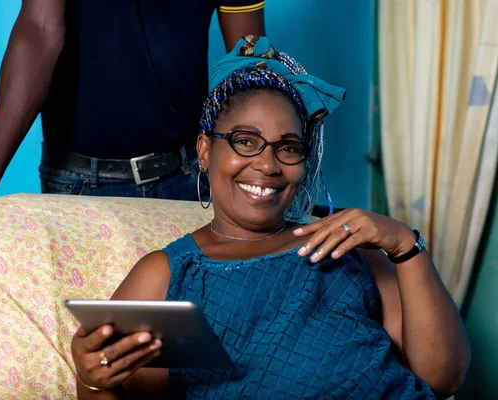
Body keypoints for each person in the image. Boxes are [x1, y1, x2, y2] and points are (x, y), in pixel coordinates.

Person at [70, 36, 470, 399]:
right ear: (205, 150)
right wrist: (90, 381)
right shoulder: (169, 274)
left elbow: (442, 377)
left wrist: (403, 244)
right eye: (246, 141)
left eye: (289, 148)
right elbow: (116, 384)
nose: (268, 164)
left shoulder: (349, 248)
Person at [0, 0, 266, 240]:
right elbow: (39, 28)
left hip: (189, 179)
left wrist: (267, 158)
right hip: (79, 185)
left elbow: (249, 54)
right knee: (88, 340)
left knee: (190, 336)